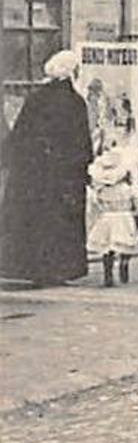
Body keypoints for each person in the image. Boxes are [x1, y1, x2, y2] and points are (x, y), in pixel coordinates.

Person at [0, 50, 93, 287]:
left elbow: (19, 136)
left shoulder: (35, 98)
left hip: (32, 175)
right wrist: (85, 169)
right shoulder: (74, 102)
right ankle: (58, 270)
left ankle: (30, 269)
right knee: (60, 222)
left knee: (34, 220)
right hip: (64, 177)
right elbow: (81, 142)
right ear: (70, 72)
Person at [86, 137, 138, 287]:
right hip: (124, 218)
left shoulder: (101, 191)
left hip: (106, 219)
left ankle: (108, 271)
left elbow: (94, 203)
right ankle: (124, 264)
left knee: (107, 248)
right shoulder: (128, 189)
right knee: (125, 244)